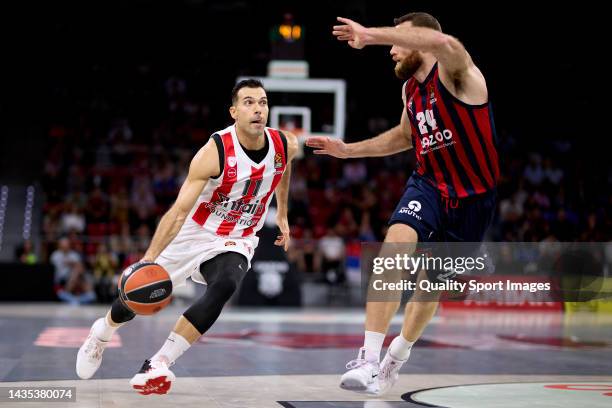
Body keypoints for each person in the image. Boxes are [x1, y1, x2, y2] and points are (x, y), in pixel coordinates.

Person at [307, 12, 499, 395]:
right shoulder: (410, 90)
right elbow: (404, 136)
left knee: (429, 289)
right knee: (393, 248)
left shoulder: (460, 75)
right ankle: (368, 358)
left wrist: (370, 34)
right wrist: (348, 152)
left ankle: (398, 355)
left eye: (398, 40)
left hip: (473, 199)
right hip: (427, 184)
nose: (391, 49)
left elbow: (444, 44)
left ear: (421, 40)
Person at [76, 79, 299, 395]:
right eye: (249, 102)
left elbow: (283, 169)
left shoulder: (285, 144)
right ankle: (102, 333)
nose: (258, 109)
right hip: (195, 231)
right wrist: (148, 258)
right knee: (140, 294)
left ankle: (158, 363)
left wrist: (282, 213)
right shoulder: (214, 152)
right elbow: (178, 211)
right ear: (234, 111)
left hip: (238, 236)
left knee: (225, 284)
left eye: (262, 102)